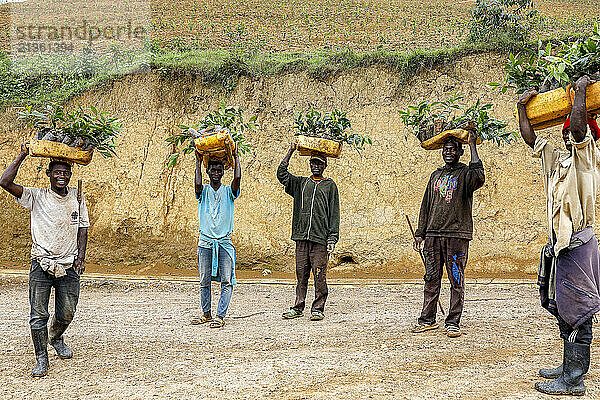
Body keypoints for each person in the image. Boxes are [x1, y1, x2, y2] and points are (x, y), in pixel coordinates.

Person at [518, 75, 600, 396]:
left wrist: (579, 91)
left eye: (572, 133)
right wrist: (523, 109)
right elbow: (531, 140)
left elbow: (581, 130)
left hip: (579, 247)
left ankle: (574, 380)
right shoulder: (561, 162)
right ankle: (568, 367)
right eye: (565, 134)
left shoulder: (588, 158)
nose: (568, 136)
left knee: (579, 311)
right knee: (564, 307)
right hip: (560, 248)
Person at [0, 144, 89, 377]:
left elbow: (83, 228)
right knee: (38, 314)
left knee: (67, 313)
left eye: (66, 173)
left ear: (70, 175)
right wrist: (22, 154)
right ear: (49, 174)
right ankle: (42, 358)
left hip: (69, 264)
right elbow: (5, 182)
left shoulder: (77, 197)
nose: (62, 176)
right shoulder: (36, 196)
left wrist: (81, 256)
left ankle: (56, 337)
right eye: (57, 172)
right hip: (41, 263)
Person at [411, 131, 485, 338]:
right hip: (433, 236)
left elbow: (479, 177)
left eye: (453, 149)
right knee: (431, 278)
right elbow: (426, 205)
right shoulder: (435, 175)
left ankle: (453, 322)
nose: (448, 153)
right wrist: (420, 233)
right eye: (446, 150)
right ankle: (427, 319)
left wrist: (472, 145)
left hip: (457, 236)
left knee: (456, 279)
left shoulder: (465, 174)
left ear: (460, 152)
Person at [277, 142, 340, 321]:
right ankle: (298, 307)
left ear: (325, 166)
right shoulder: (301, 183)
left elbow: (334, 213)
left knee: (319, 275)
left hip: (320, 239)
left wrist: (332, 238)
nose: (316, 166)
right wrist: (290, 150)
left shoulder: (330, 186)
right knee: (301, 274)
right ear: (310, 164)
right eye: (313, 163)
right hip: (301, 237)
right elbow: (281, 174)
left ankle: (318, 308)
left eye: (320, 163)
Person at [190, 147, 240, 329]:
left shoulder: (229, 192)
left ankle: (220, 315)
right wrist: (197, 160)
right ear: (208, 172)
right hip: (205, 243)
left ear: (223, 171)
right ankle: (206, 314)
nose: (216, 173)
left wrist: (236, 157)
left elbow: (237, 179)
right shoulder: (202, 191)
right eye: (213, 170)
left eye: (219, 170)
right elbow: (196, 184)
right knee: (204, 281)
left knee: (226, 281)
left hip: (225, 243)